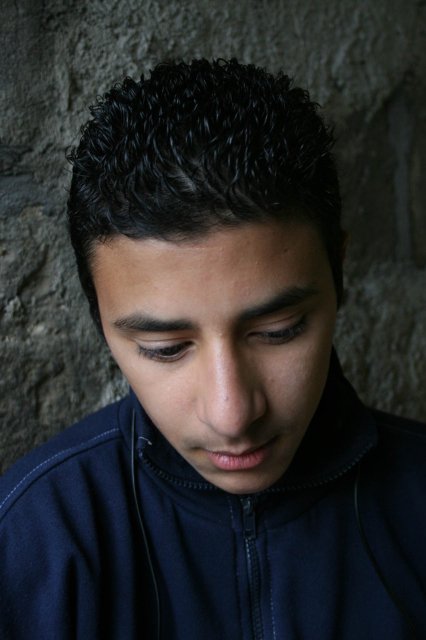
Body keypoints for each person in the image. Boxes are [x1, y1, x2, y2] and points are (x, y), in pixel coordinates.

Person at [1, 59, 425, 640]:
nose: (233, 415)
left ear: (339, 274)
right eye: (165, 348)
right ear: (99, 318)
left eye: (279, 330)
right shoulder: (33, 540)